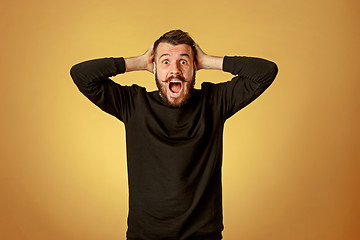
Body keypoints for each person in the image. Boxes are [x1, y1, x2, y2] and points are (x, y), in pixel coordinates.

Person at [70, 29, 278, 240]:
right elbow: (81, 75)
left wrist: (207, 60)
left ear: (194, 66)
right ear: (154, 67)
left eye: (184, 61)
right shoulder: (133, 104)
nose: (175, 70)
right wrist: (138, 62)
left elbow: (266, 72)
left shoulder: (215, 102)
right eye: (166, 61)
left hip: (202, 236)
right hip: (145, 237)